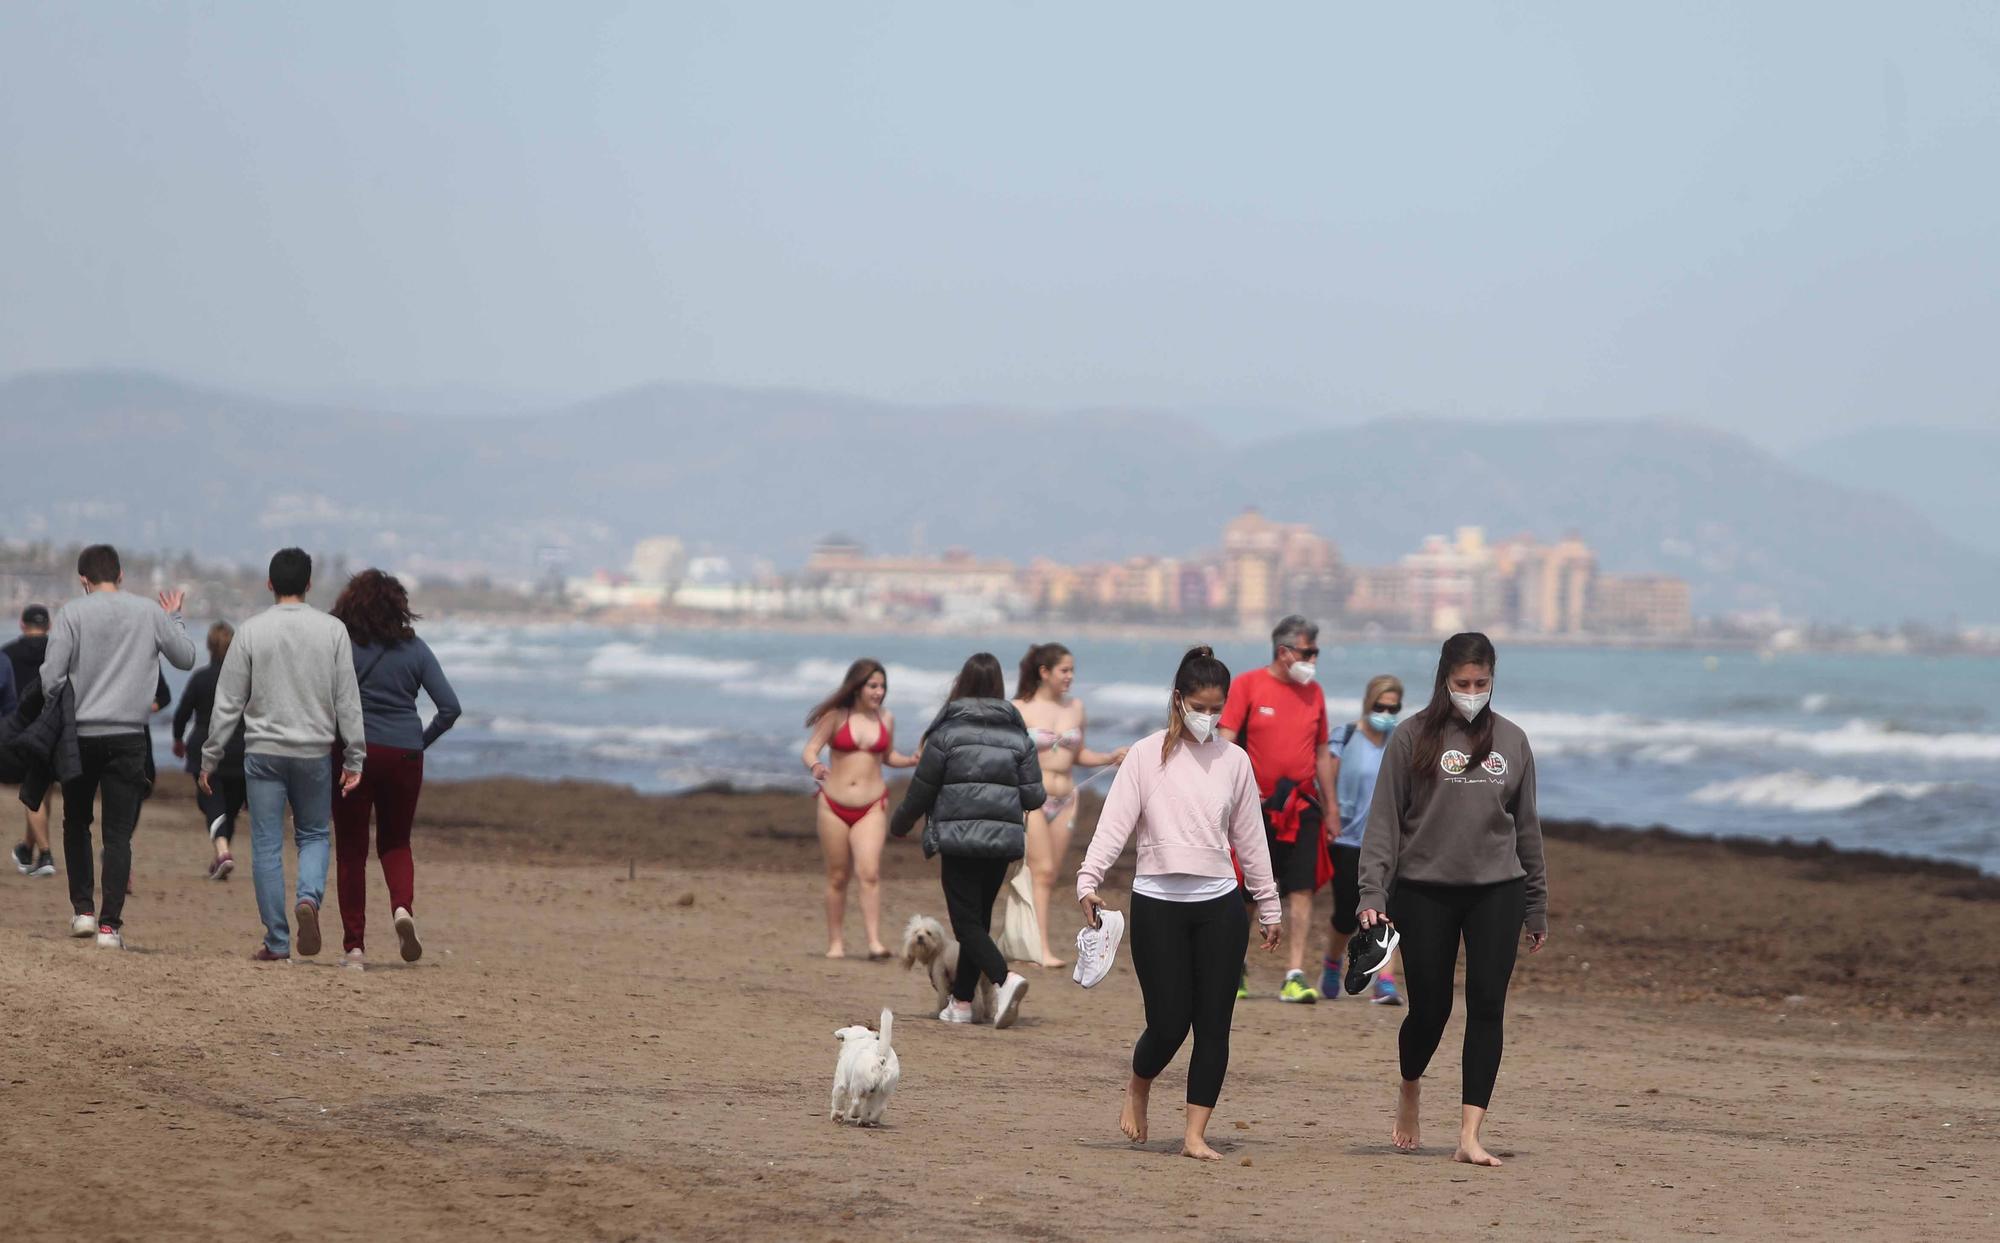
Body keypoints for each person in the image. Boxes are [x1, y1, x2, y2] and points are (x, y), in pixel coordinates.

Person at [1076, 646, 1282, 1161]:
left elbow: (1250, 839)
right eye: (1199, 705)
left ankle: (1194, 1135)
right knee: (1169, 1023)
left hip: (1220, 905)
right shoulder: (1147, 755)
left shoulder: (1235, 761)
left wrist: (1269, 904)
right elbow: (1114, 823)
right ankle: (1138, 1085)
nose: (1208, 717)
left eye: (1217, 708)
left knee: (1214, 1024)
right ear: (1178, 699)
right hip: (1157, 904)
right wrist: (1088, 879)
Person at [1357, 632, 1549, 1168]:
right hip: (1424, 892)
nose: (1472, 692)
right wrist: (1372, 892)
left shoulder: (1513, 741)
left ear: (1493, 681)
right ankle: (1410, 1084)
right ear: (1445, 679)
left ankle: (1469, 1135)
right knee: (1432, 1010)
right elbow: (1384, 824)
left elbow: (1527, 829)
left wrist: (1537, 905)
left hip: (1498, 891)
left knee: (1488, 1007)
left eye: (1481, 683)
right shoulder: (1411, 738)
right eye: (1463, 683)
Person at [201, 548, 366, 963]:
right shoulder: (333, 631)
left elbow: (228, 702)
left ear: (270, 584)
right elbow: (348, 700)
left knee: (267, 845)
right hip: (313, 750)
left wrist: (210, 757)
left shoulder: (251, 631)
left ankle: (277, 941)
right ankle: (308, 898)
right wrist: (355, 757)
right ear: (309, 585)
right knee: (313, 834)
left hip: (263, 751)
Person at [38, 546, 197, 947]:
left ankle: (83, 912)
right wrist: (174, 616)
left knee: (76, 823)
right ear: (121, 575)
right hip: (129, 736)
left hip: (80, 734)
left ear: (83, 580)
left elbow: (51, 678)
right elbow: (185, 657)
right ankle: (110, 927)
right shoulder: (147, 612)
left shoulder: (72, 613)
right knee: (118, 834)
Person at [888, 653, 1042, 1028]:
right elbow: (1035, 797)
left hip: (958, 840)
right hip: (1001, 843)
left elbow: (922, 789)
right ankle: (961, 1003)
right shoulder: (1018, 736)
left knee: (966, 925)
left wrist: (900, 822)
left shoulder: (944, 733)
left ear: (961, 685)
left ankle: (1005, 978)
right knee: (978, 922)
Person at [329, 569, 462, 969]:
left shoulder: (343, 648)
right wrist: (419, 742)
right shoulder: (416, 650)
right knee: (396, 842)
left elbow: (324, 702)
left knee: (352, 850)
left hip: (355, 752)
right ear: (399, 606)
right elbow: (450, 708)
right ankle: (402, 909)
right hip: (404, 754)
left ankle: (354, 948)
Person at [1218, 614, 1334, 1002]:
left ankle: (1295, 973)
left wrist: (1331, 807)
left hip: (1303, 806)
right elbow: (1227, 742)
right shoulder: (1248, 685)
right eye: (1308, 651)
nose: (1313, 659)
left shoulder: (1314, 692)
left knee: (1302, 890)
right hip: (1255, 807)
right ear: (1284, 652)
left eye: (1316, 652)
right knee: (1248, 891)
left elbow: (1321, 752)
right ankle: (1235, 967)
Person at [1013, 642, 1127, 968]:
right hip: (1032, 798)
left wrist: (1109, 757)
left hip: (1068, 798)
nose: (1070, 677)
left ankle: (1033, 943)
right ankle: (1039, 948)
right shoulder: (1021, 709)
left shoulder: (1075, 707)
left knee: (1048, 877)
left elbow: (1079, 755)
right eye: (1064, 670)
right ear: (1044, 672)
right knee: (1040, 870)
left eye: (1072, 671)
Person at [802, 658, 917, 960]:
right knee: (838, 876)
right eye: (873, 686)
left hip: (871, 805)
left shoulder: (886, 718)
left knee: (869, 873)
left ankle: (874, 942)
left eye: (882, 687)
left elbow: (888, 754)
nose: (879, 692)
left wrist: (909, 760)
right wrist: (815, 765)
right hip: (833, 805)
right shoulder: (837, 716)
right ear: (857, 687)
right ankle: (836, 943)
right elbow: (811, 748)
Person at [1318, 673, 1405, 1004]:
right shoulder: (1346, 736)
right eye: (1381, 706)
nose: (1387, 712)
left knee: (1386, 913)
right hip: (1348, 840)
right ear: (1369, 704)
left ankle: (1385, 980)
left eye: (1393, 706)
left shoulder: (1401, 741)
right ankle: (1331, 962)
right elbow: (1327, 778)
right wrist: (1330, 813)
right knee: (1345, 914)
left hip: (1386, 842)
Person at [173, 622, 247, 879]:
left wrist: (177, 740)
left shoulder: (201, 678)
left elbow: (182, 713)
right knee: (231, 807)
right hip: (240, 750)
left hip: (205, 748)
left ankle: (223, 852)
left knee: (212, 802)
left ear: (209, 646)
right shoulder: (246, 679)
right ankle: (222, 854)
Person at [6, 604, 57, 877]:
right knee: (41, 791)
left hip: (20, 730)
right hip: (52, 729)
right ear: (49, 626)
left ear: (23, 625)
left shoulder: (7, 654)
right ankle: (28, 846)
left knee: (32, 792)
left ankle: (46, 853)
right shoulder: (57, 651)